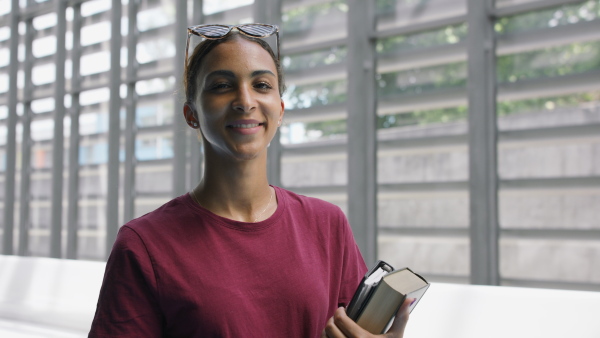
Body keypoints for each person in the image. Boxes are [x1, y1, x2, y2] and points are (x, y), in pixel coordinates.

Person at [88, 23, 412, 338]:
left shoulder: (328, 225)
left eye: (262, 85)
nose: (245, 100)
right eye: (221, 85)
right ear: (192, 114)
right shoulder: (144, 245)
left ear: (281, 110)